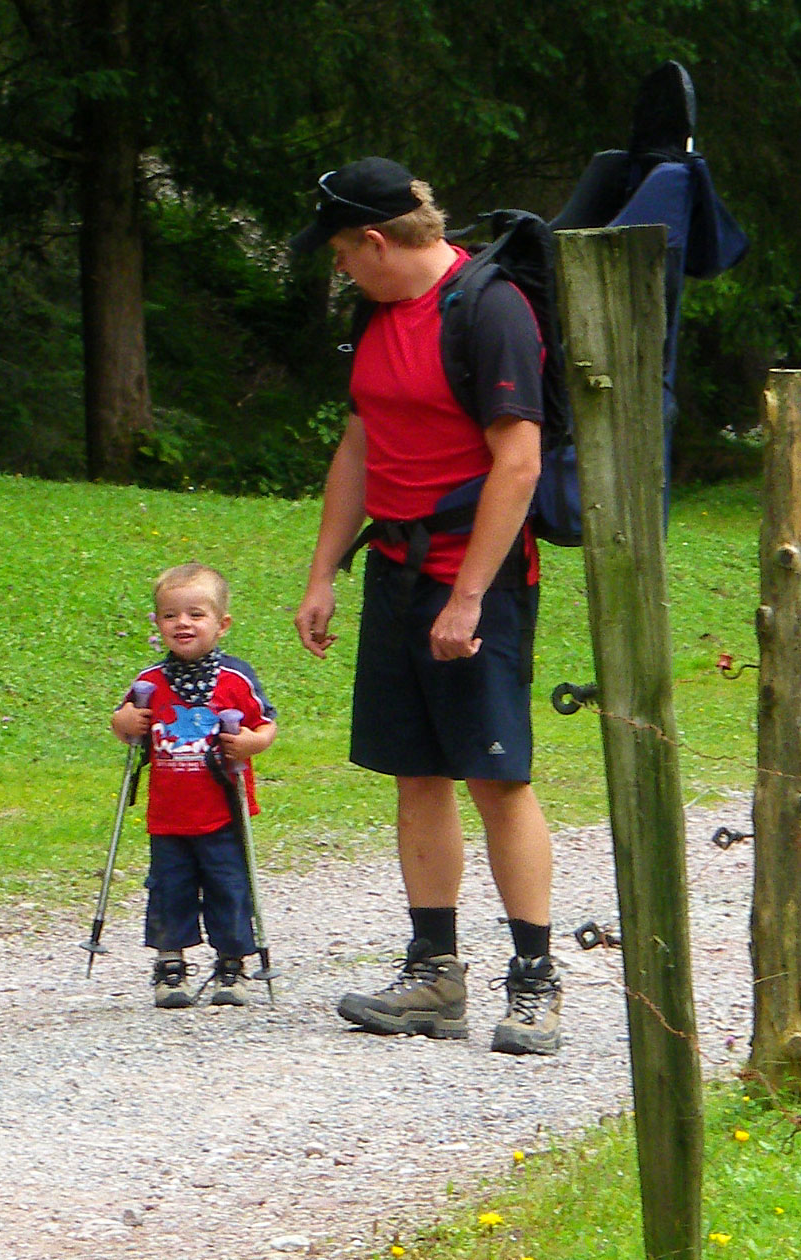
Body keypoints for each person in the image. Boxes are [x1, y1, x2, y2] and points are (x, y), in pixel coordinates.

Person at [291, 157, 562, 1055]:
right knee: (416, 770)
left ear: (375, 240)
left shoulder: (487, 309)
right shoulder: (373, 313)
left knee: (496, 774)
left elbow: (517, 461)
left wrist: (470, 597)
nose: (338, 269)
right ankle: (434, 974)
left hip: (473, 575)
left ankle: (534, 982)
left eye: (340, 252)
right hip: (398, 573)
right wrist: (325, 572)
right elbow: (363, 443)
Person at [112, 562, 277, 1010]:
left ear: (221, 624)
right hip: (168, 814)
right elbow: (123, 724)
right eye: (170, 616)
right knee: (169, 887)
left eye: (196, 614)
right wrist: (125, 721)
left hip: (222, 809)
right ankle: (170, 962)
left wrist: (249, 743)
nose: (182, 623)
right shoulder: (149, 682)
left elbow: (265, 726)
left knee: (229, 886)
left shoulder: (235, 678)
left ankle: (231, 962)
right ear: (158, 623)